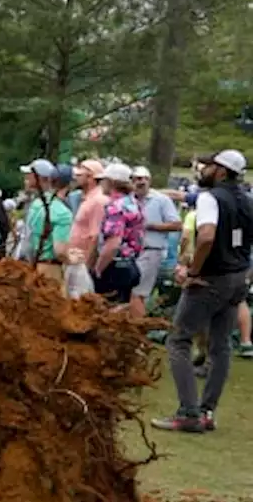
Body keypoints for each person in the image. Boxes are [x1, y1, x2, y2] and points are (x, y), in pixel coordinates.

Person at [153, 150, 252, 433]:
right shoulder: (247, 201)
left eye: (208, 165)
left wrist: (194, 271)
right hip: (237, 279)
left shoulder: (211, 198)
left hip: (210, 280)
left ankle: (188, 412)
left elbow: (206, 236)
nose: (202, 169)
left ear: (221, 171)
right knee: (221, 347)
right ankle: (207, 411)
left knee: (179, 340)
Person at [130, 166, 182, 318]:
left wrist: (151, 226)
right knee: (128, 292)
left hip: (151, 250)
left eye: (146, 179)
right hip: (130, 252)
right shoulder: (127, 200)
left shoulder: (160, 200)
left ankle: (137, 331)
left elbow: (176, 224)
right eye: (139, 179)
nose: (142, 182)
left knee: (137, 293)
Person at [90, 163, 145, 305]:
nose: (101, 184)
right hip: (130, 266)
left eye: (103, 180)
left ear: (112, 182)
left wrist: (98, 269)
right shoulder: (134, 203)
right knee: (121, 312)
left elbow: (113, 244)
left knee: (106, 314)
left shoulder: (116, 207)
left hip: (114, 268)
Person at [22, 160, 72, 284]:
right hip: (50, 270)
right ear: (70, 185)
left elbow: (27, 239)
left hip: (32, 266)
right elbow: (59, 251)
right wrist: (71, 258)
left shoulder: (36, 204)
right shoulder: (63, 213)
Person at [69, 159, 108, 260]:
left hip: (83, 259)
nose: (76, 178)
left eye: (80, 175)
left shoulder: (98, 200)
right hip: (75, 256)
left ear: (91, 178)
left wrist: (87, 264)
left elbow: (95, 236)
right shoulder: (85, 198)